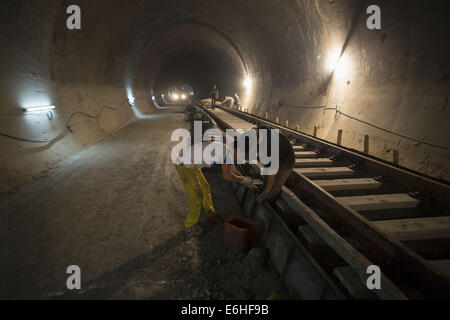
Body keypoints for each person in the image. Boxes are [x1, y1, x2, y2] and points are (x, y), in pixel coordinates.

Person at [175, 138, 253, 229]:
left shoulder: (227, 149)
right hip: (184, 165)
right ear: (237, 150)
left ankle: (211, 213)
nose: (241, 158)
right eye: (242, 155)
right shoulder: (227, 153)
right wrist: (243, 180)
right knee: (196, 196)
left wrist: (242, 178)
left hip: (191, 163)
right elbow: (227, 176)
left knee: (205, 187)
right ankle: (190, 225)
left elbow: (232, 169)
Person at [256, 126, 295, 203]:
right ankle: (266, 190)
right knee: (267, 179)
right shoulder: (265, 134)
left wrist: (266, 192)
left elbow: (272, 174)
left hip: (286, 163)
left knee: (274, 187)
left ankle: (269, 200)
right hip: (278, 155)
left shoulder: (270, 148)